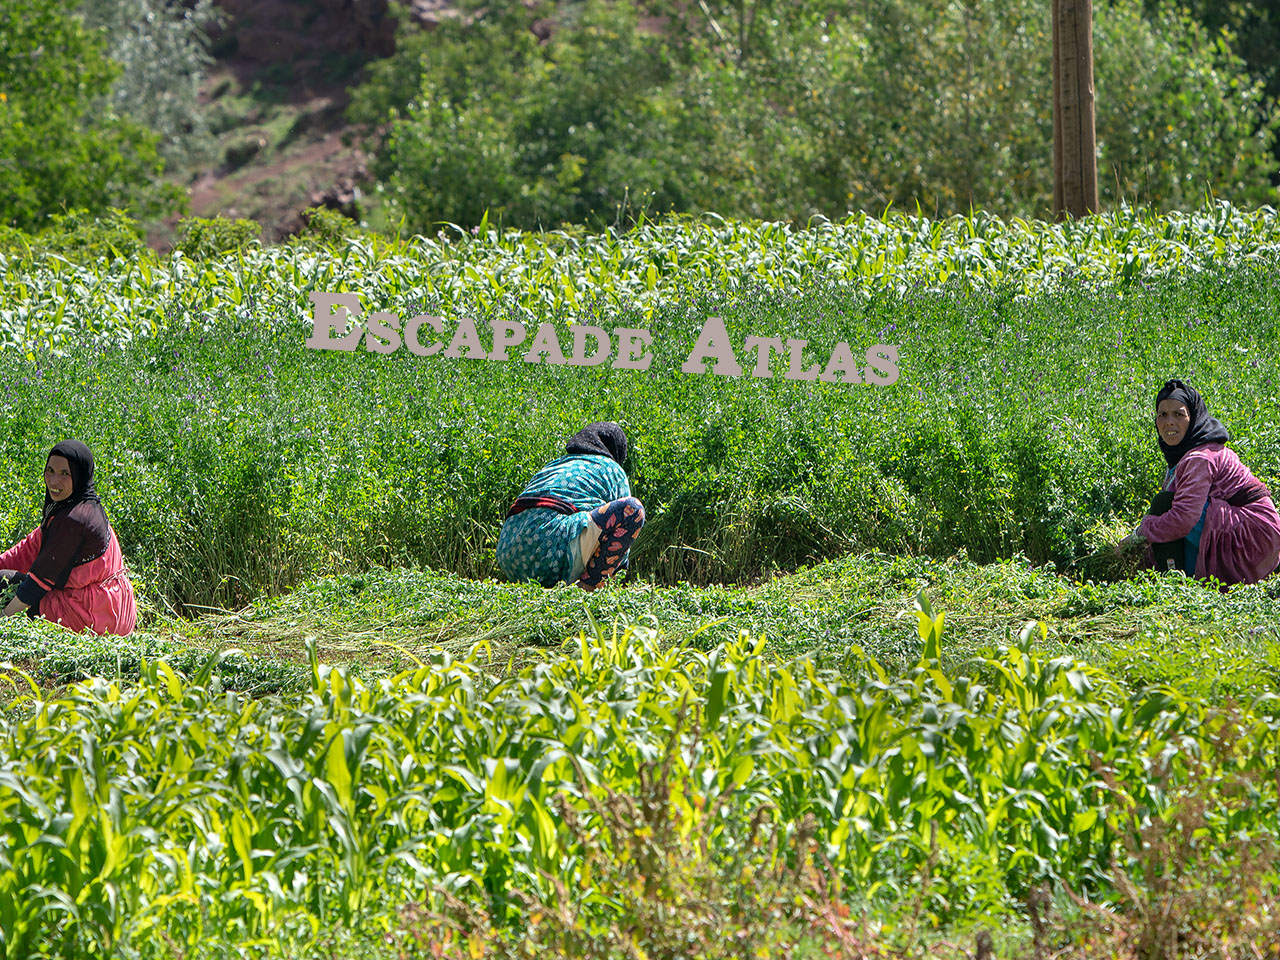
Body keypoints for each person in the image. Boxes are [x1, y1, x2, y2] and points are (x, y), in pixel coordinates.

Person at [1116, 380, 1280, 588]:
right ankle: (1186, 576)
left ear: (1193, 418)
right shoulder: (1186, 453)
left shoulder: (1199, 458)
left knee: (1165, 504)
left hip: (1254, 536)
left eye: (1179, 414)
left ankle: (1176, 580)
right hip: (1247, 529)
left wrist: (1140, 533)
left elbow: (1183, 519)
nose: (1169, 422)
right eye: (1162, 415)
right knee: (1169, 505)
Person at [0, 441, 138, 635]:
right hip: (117, 612)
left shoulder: (74, 520)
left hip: (94, 616)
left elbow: (36, 584)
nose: (54, 481)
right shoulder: (84, 505)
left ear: (80, 475)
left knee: (5, 585)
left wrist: (5, 619)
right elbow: (28, 550)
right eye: (50, 470)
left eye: (65, 473)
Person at [496, 422, 645, 591]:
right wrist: (615, 575)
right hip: (552, 550)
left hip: (508, 553)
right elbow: (621, 539)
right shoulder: (612, 468)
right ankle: (587, 589)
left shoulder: (554, 464)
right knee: (632, 509)